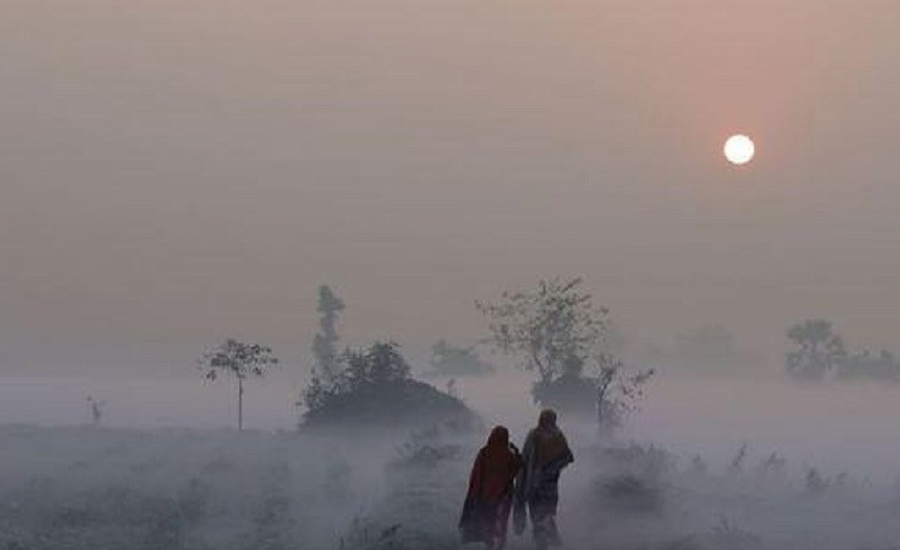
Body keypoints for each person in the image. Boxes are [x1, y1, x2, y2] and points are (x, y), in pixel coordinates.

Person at [513, 409, 574, 550]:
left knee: (537, 516)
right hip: (551, 486)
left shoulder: (533, 435)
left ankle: (543, 544)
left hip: (534, 484)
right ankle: (554, 542)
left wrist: (523, 480)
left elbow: (525, 459)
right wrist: (552, 469)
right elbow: (568, 457)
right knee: (547, 514)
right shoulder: (559, 437)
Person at [459, 426, 523, 549]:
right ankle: (500, 546)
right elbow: (517, 468)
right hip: (505, 495)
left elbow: (476, 473)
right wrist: (517, 451)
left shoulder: (484, 452)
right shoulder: (509, 455)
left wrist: (474, 493)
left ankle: (490, 545)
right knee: (501, 522)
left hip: (486, 494)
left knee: (488, 521)